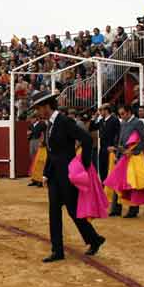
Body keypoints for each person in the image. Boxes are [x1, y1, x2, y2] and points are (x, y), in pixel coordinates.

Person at [30, 91, 105, 263]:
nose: (37, 112)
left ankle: (94, 239)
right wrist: (46, 174)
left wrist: (84, 166)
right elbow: (51, 153)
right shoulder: (49, 124)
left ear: (47, 106)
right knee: (54, 212)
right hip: (55, 176)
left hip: (69, 176)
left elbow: (86, 139)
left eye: (39, 108)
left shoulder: (64, 121)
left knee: (73, 211)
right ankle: (58, 250)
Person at [106, 105, 144, 218]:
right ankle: (116, 209)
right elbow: (120, 140)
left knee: (132, 183)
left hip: (133, 157)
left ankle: (133, 209)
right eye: (120, 114)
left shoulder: (138, 123)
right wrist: (117, 154)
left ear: (129, 112)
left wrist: (133, 152)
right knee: (118, 181)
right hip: (123, 156)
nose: (121, 116)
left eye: (123, 114)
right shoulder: (123, 122)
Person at [96, 104, 120, 183]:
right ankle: (104, 187)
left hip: (110, 148)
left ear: (106, 110)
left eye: (101, 110)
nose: (99, 112)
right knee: (102, 169)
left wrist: (115, 147)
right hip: (102, 148)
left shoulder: (114, 120)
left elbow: (118, 134)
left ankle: (109, 190)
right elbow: (91, 127)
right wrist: (95, 116)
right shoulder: (101, 120)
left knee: (109, 169)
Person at [27, 113, 47, 187]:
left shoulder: (42, 124)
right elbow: (28, 134)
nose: (30, 120)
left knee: (40, 161)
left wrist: (43, 142)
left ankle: (40, 180)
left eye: (32, 119)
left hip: (39, 142)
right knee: (33, 160)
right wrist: (29, 134)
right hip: (32, 141)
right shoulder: (31, 125)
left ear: (36, 118)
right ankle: (34, 179)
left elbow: (45, 134)